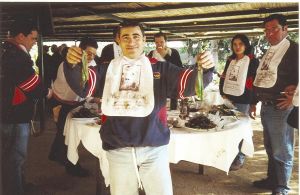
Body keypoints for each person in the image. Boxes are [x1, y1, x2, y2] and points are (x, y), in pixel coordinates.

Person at [66, 21, 214, 195]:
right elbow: (84, 85)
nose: (131, 42)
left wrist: (204, 68)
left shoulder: (161, 69)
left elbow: (187, 83)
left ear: (144, 40)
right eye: (125, 37)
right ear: (118, 41)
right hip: (118, 149)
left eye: (136, 36)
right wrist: (72, 65)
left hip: (154, 149)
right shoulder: (107, 70)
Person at [0, 18, 50, 195]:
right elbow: (31, 84)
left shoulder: (7, 51)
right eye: (33, 38)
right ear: (21, 36)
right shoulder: (16, 55)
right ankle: (15, 190)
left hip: (8, 112)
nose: (34, 43)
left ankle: (19, 185)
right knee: (15, 157)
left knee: (12, 157)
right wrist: (47, 92)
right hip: (14, 115)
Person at [250, 14, 298, 195]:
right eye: (266, 30)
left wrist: (295, 98)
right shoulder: (269, 50)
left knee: (281, 149)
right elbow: (260, 78)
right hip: (267, 106)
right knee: (271, 147)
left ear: (286, 29)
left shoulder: (294, 49)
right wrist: (254, 102)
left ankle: (283, 186)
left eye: (274, 29)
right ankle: (272, 180)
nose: (269, 33)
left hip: (281, 106)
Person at [48, 37, 100, 177]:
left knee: (61, 133)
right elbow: (82, 90)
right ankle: (72, 166)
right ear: (79, 50)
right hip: (62, 103)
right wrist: (90, 97)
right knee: (67, 137)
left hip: (74, 102)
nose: (91, 57)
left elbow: (84, 92)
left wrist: (91, 99)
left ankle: (55, 155)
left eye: (94, 54)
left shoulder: (87, 64)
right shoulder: (69, 65)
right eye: (88, 53)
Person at [219, 34, 259, 171]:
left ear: (246, 45)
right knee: (228, 128)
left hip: (244, 100)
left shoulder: (253, 61)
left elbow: (255, 83)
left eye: (240, 44)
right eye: (234, 44)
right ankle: (230, 156)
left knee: (241, 130)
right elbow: (224, 76)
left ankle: (240, 158)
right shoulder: (230, 60)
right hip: (229, 99)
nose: (237, 47)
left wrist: (254, 102)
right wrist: (222, 93)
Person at [148, 32, 183, 110]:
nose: (159, 44)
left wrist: (165, 56)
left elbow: (179, 68)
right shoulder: (152, 53)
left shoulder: (173, 52)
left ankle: (173, 114)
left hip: (171, 82)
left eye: (161, 42)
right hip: (157, 83)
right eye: (157, 42)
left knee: (173, 106)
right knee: (158, 105)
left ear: (166, 42)